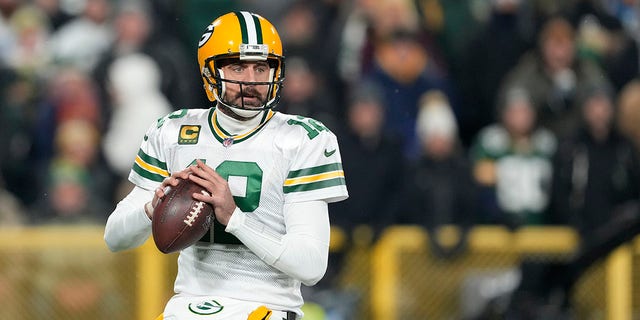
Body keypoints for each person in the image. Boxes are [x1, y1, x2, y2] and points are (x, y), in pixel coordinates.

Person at [103, 11, 349, 320]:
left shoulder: (303, 139)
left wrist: (234, 217)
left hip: (266, 305)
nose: (251, 80)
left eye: (262, 68)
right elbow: (114, 238)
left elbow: (311, 266)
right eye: (237, 67)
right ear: (210, 71)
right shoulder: (172, 131)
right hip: (188, 303)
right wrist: (152, 208)